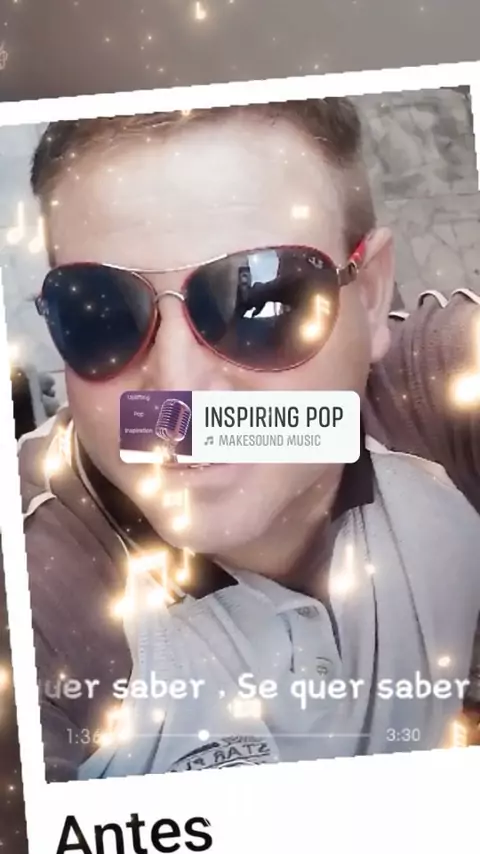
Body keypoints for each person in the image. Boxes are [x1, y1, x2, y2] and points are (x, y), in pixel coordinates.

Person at [15, 97, 480, 782]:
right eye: (100, 312)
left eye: (260, 301)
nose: (179, 389)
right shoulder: (37, 584)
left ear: (370, 296)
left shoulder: (437, 394)